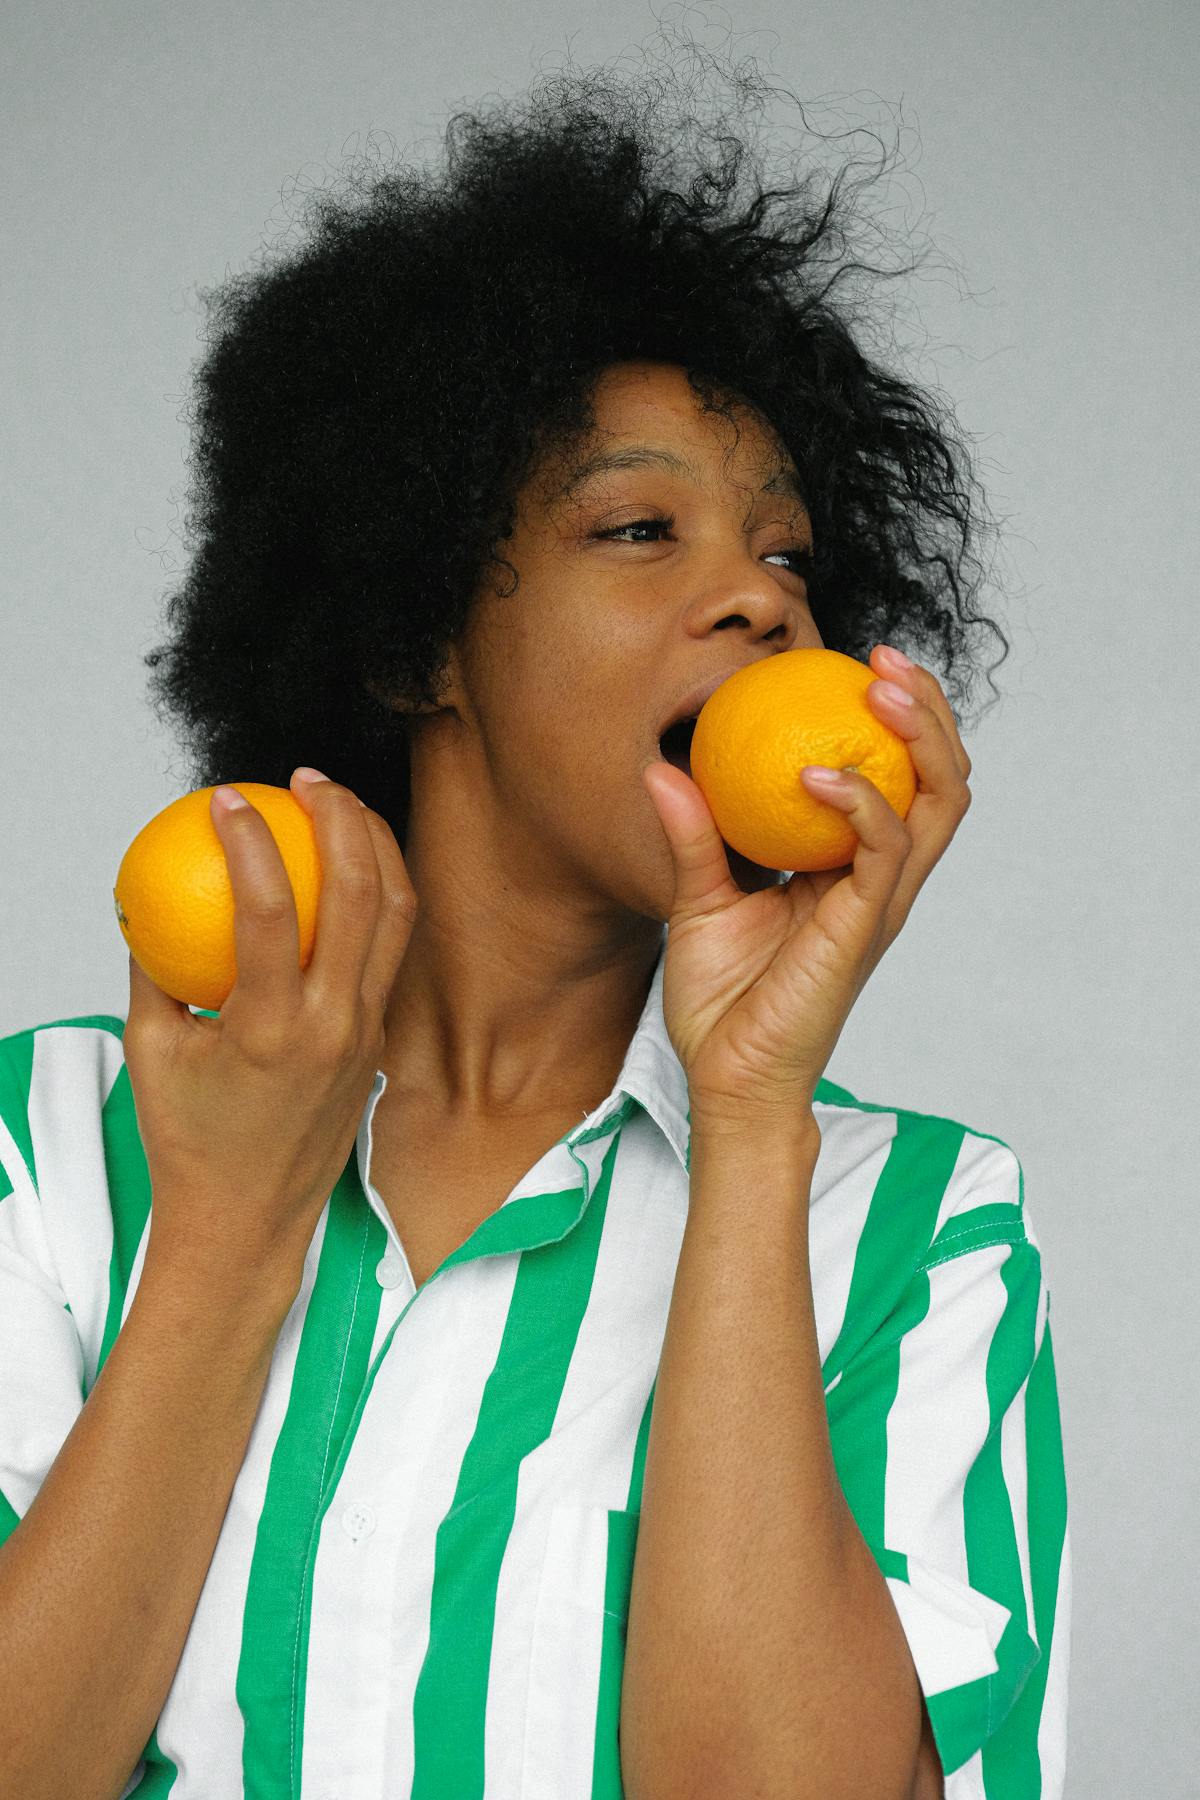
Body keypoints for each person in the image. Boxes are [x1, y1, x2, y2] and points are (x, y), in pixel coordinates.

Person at [0, 40, 1070, 1800]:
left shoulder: (923, 1227)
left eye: (792, 559)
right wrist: (223, 1224)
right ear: (411, 635)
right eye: (640, 527)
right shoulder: (52, 1147)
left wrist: (747, 1114)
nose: (757, 599)